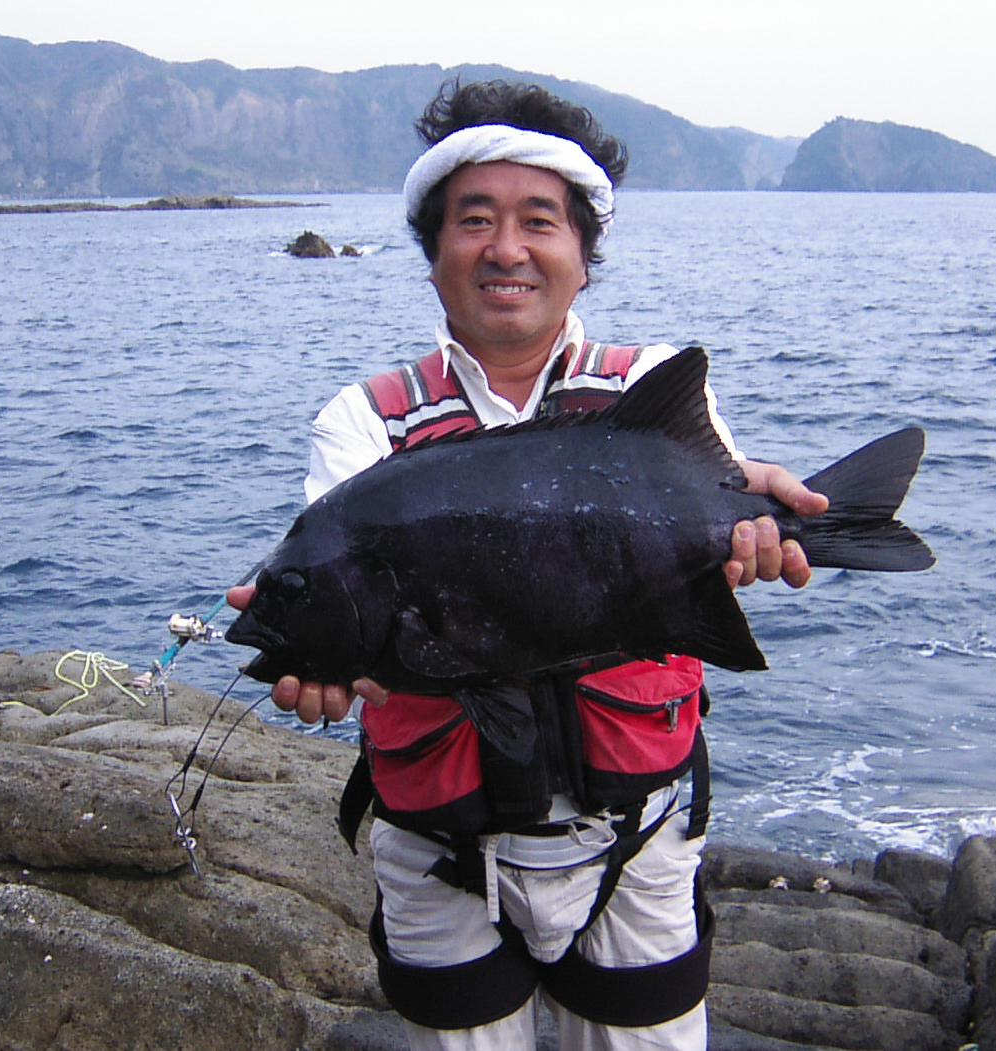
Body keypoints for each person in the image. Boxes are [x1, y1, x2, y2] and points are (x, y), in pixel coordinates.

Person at [228, 79, 827, 1051]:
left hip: (637, 838)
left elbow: (710, 493)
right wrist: (321, 659)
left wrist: (760, 518)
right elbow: (346, 601)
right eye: (474, 220)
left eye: (539, 221)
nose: (506, 247)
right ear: (432, 253)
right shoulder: (362, 422)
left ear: (585, 257)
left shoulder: (647, 386)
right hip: (438, 855)